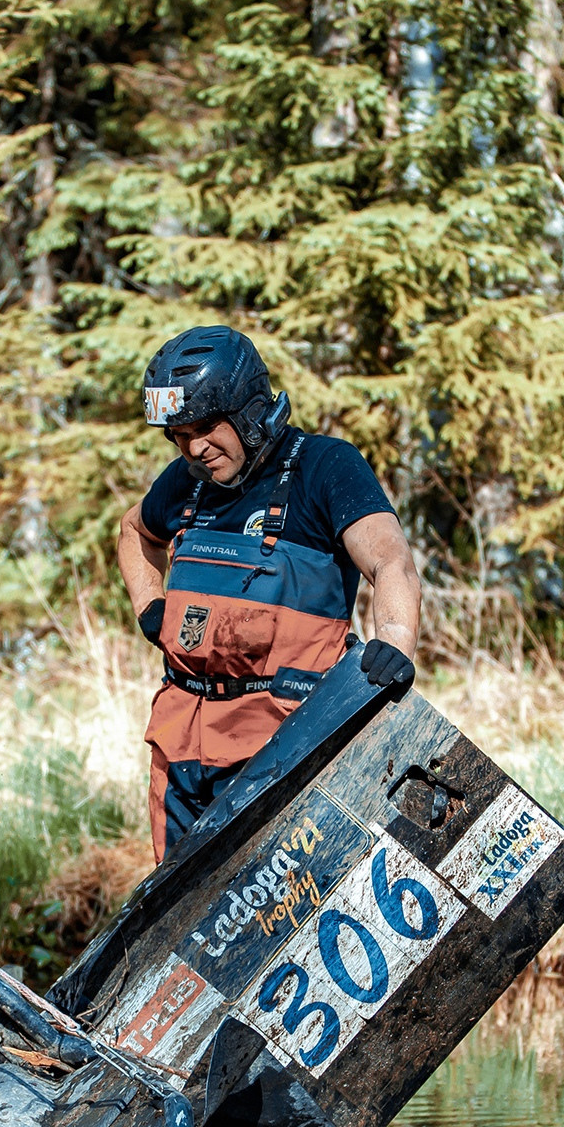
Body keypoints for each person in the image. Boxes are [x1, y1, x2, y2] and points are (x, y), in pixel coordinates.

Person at [115, 326, 423, 860]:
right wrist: (150, 606)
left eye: (208, 427)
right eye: (179, 434)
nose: (195, 447)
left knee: (282, 913)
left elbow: (389, 559)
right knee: (183, 923)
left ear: (251, 409)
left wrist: (394, 642)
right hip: (181, 745)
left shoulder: (324, 466)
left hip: (286, 747)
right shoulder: (185, 482)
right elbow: (134, 532)